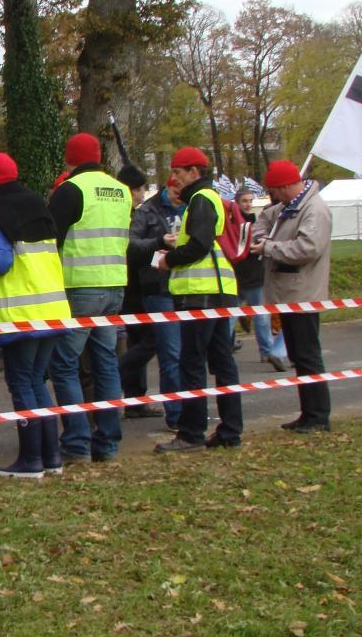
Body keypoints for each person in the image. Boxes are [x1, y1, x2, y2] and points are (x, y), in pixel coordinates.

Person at [0, 152, 71, 479]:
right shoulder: (39, 204)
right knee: (38, 383)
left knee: (22, 385)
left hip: (20, 313)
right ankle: (51, 456)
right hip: (53, 310)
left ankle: (30, 460)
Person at [48, 133, 132, 463]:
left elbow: (50, 236)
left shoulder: (71, 189)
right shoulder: (122, 191)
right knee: (106, 362)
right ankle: (108, 441)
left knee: (64, 364)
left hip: (80, 287)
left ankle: (76, 442)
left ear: (70, 159)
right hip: (114, 286)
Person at [152, 147, 242, 452]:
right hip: (217, 291)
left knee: (192, 363)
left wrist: (170, 260)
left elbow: (199, 246)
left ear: (194, 172)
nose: (173, 178)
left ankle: (191, 433)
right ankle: (230, 430)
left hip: (201, 294)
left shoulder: (202, 200)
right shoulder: (207, 199)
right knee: (222, 361)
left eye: (177, 172)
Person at [252, 161, 333, 433]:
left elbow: (307, 248)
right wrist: (263, 238)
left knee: (308, 355)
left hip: (304, 292)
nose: (273, 196)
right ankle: (308, 413)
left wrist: (270, 248)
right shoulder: (288, 207)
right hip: (288, 292)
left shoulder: (314, 209)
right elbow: (262, 220)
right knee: (298, 355)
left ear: (287, 186)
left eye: (275, 190)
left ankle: (318, 415)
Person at [119, 175, 184, 427]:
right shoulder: (146, 212)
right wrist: (160, 245)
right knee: (166, 351)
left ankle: (136, 398)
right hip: (153, 287)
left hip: (185, 287)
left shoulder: (193, 207)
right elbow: (130, 246)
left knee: (159, 346)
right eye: (176, 192)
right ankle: (176, 414)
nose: (180, 196)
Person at [233, 188, 288, 372]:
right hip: (237, 275)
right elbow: (238, 249)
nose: (248, 204)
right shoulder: (235, 224)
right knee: (229, 317)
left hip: (256, 275)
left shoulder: (256, 221)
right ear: (237, 202)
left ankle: (267, 351)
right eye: (244, 201)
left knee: (262, 318)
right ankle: (222, 349)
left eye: (250, 200)